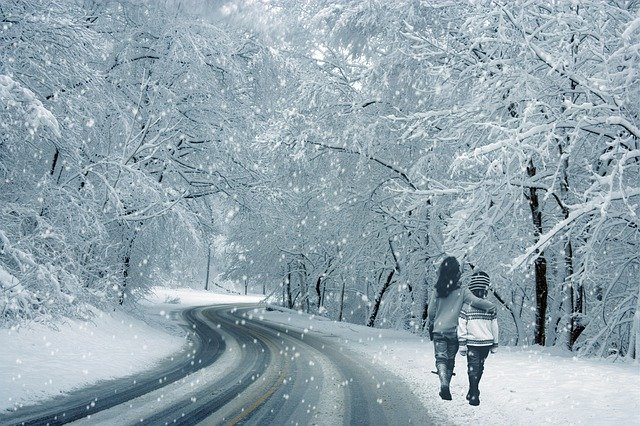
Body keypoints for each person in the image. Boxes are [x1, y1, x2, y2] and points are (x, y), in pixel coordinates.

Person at [427, 257, 495, 400]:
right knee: (450, 359)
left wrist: (431, 323)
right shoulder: (462, 291)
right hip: (454, 331)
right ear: (456, 273)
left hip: (439, 330)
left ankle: (444, 384)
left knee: (441, 358)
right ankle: (446, 384)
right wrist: (491, 307)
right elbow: (476, 301)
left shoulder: (437, 290)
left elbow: (431, 311)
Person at [458, 271, 499, 406]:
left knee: (472, 368)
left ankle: (473, 392)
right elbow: (495, 327)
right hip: (486, 344)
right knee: (480, 367)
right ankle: (474, 391)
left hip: (472, 343)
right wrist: (495, 343)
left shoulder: (466, 307)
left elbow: (461, 325)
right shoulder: (490, 307)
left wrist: (462, 343)